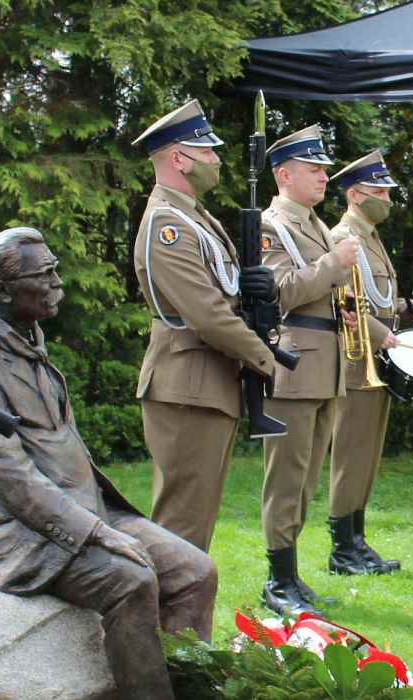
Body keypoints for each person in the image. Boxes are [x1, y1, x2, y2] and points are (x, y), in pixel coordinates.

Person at [0, 228, 216, 700]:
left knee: (195, 571)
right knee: (131, 579)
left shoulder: (29, 335)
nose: (60, 282)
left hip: (87, 507)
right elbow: (6, 472)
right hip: (24, 533)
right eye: (46, 274)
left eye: (56, 268)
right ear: (2, 290)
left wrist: (102, 520)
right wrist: (98, 533)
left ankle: (191, 690)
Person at [131, 99, 277, 552]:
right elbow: (208, 314)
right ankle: (166, 624)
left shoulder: (194, 217)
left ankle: (183, 622)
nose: (216, 160)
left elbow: (226, 295)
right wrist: (266, 358)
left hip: (204, 385)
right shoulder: (167, 225)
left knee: (197, 523)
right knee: (181, 527)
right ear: (179, 158)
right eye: (207, 151)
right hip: (186, 386)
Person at [257, 124, 365, 616]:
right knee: (286, 477)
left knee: (306, 478)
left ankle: (291, 576)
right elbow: (275, 293)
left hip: (325, 365)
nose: (325, 176)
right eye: (314, 168)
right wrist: (333, 265)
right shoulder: (270, 226)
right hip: (294, 366)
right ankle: (277, 582)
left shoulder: (316, 225)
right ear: (283, 174)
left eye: (324, 168)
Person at [327, 150, 413, 575]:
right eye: (379, 191)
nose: (387, 198)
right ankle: (342, 549)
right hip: (356, 359)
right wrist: (384, 335)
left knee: (367, 456)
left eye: (387, 191)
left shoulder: (371, 239)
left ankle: (357, 543)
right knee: (351, 454)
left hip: (377, 357)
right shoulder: (342, 237)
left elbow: (378, 302)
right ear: (355, 194)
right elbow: (343, 305)